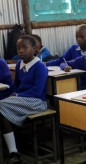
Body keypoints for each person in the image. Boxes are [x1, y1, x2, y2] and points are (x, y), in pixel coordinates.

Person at [0, 35, 48, 164]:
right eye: (18, 48)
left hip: (37, 102)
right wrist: (15, 94)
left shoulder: (40, 67)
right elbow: (17, 86)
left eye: (24, 48)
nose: (20, 51)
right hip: (22, 101)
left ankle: (13, 149)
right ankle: (13, 152)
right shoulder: (19, 65)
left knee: (1, 107)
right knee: (2, 112)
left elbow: (37, 92)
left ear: (34, 49)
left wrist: (17, 96)